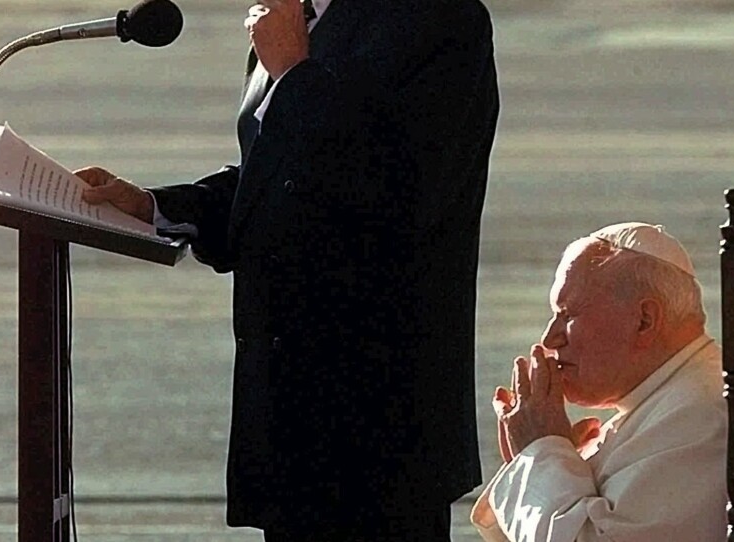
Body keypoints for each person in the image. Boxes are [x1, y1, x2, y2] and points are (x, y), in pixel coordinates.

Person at [74, 0, 500, 540]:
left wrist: (295, 74)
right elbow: (277, 179)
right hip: (286, 413)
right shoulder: (287, 22)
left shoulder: (439, 20)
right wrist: (156, 207)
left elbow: (403, 194)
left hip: (379, 426)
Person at [471, 222, 727, 542]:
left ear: (644, 320)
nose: (550, 338)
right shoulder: (674, 399)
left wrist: (542, 454)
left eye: (568, 314)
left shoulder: (700, 419)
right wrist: (539, 461)